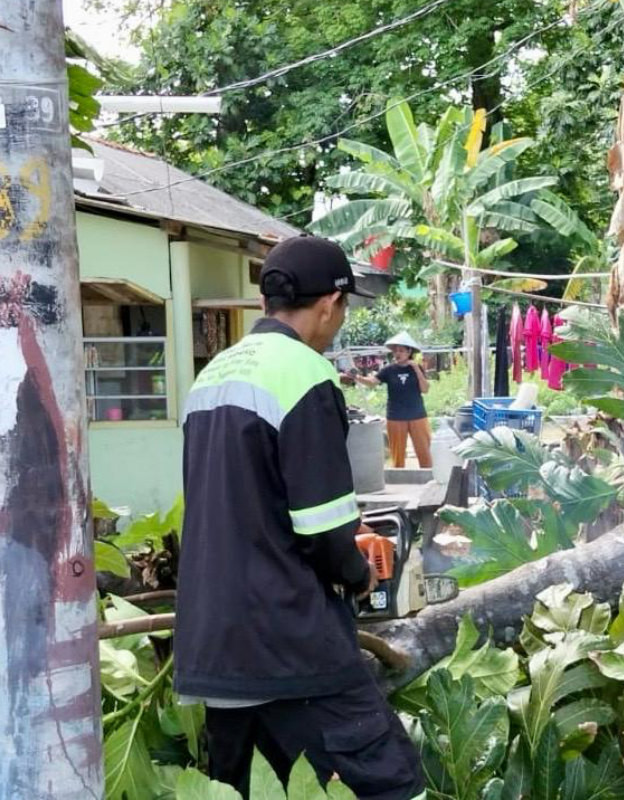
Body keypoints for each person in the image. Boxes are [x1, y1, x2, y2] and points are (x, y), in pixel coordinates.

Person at [174, 236, 424, 800]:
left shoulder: (210, 377)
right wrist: (359, 574)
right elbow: (323, 532)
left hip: (212, 646)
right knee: (392, 784)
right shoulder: (305, 374)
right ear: (331, 304)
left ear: (267, 300)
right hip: (288, 641)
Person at [347, 333, 432, 469]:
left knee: (425, 452)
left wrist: (416, 368)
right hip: (395, 416)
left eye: (401, 351)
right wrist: (356, 377)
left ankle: (429, 477)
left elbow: (425, 389)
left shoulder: (417, 368)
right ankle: (399, 478)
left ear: (409, 352)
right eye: (395, 351)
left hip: (418, 415)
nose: (397, 354)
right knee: (397, 456)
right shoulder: (388, 370)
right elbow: (372, 382)